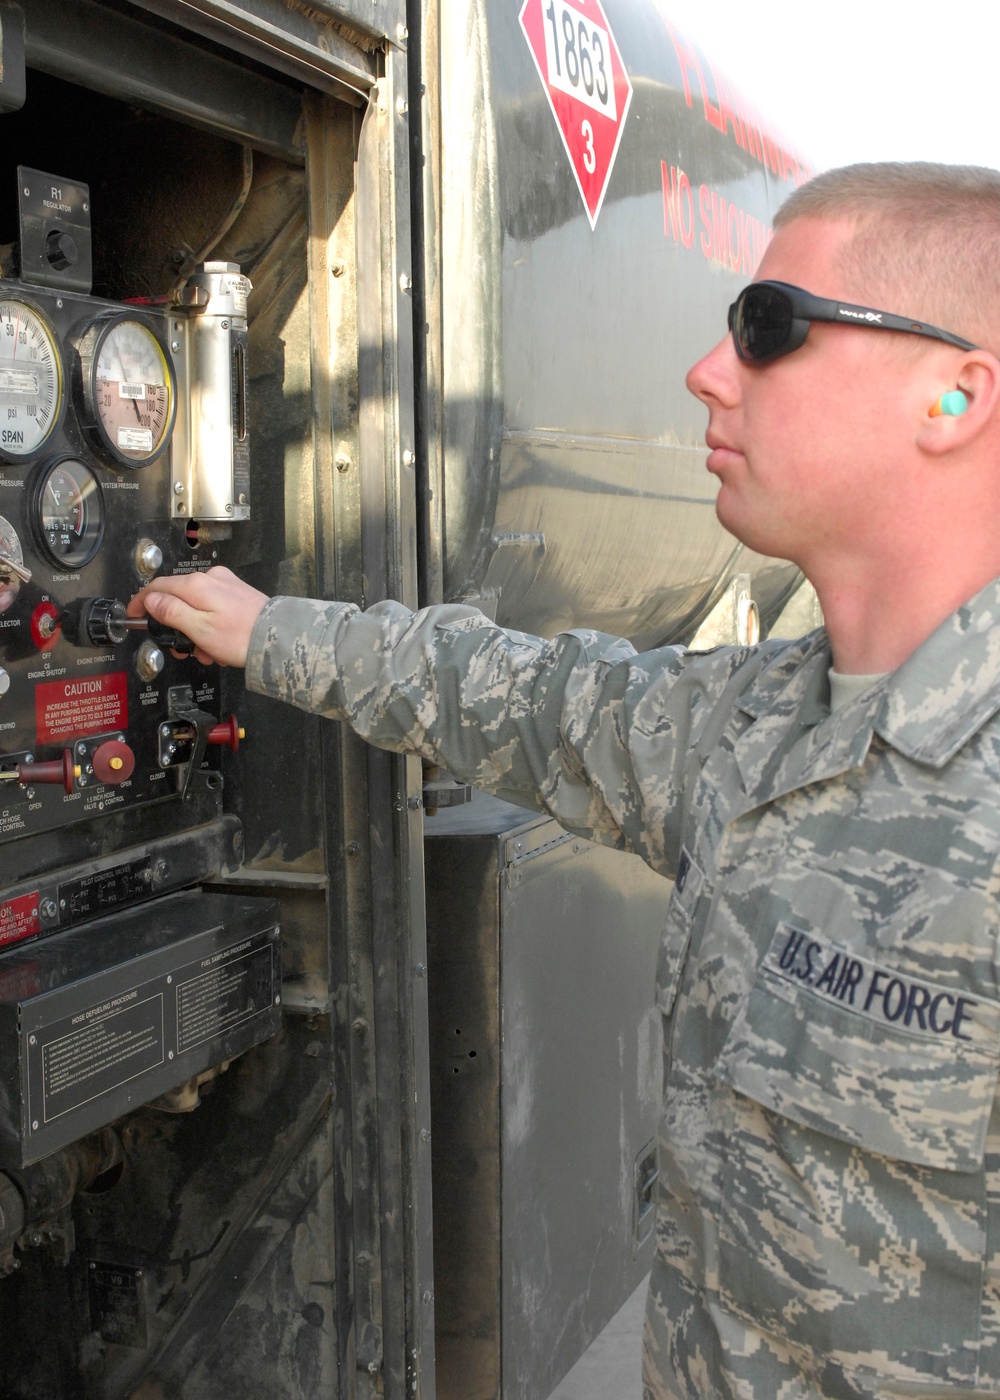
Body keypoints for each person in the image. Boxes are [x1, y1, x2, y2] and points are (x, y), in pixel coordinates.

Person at [130, 162, 1000, 1399]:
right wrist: (268, 629)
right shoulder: (751, 721)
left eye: (767, 325)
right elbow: (515, 695)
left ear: (954, 392)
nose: (707, 369)